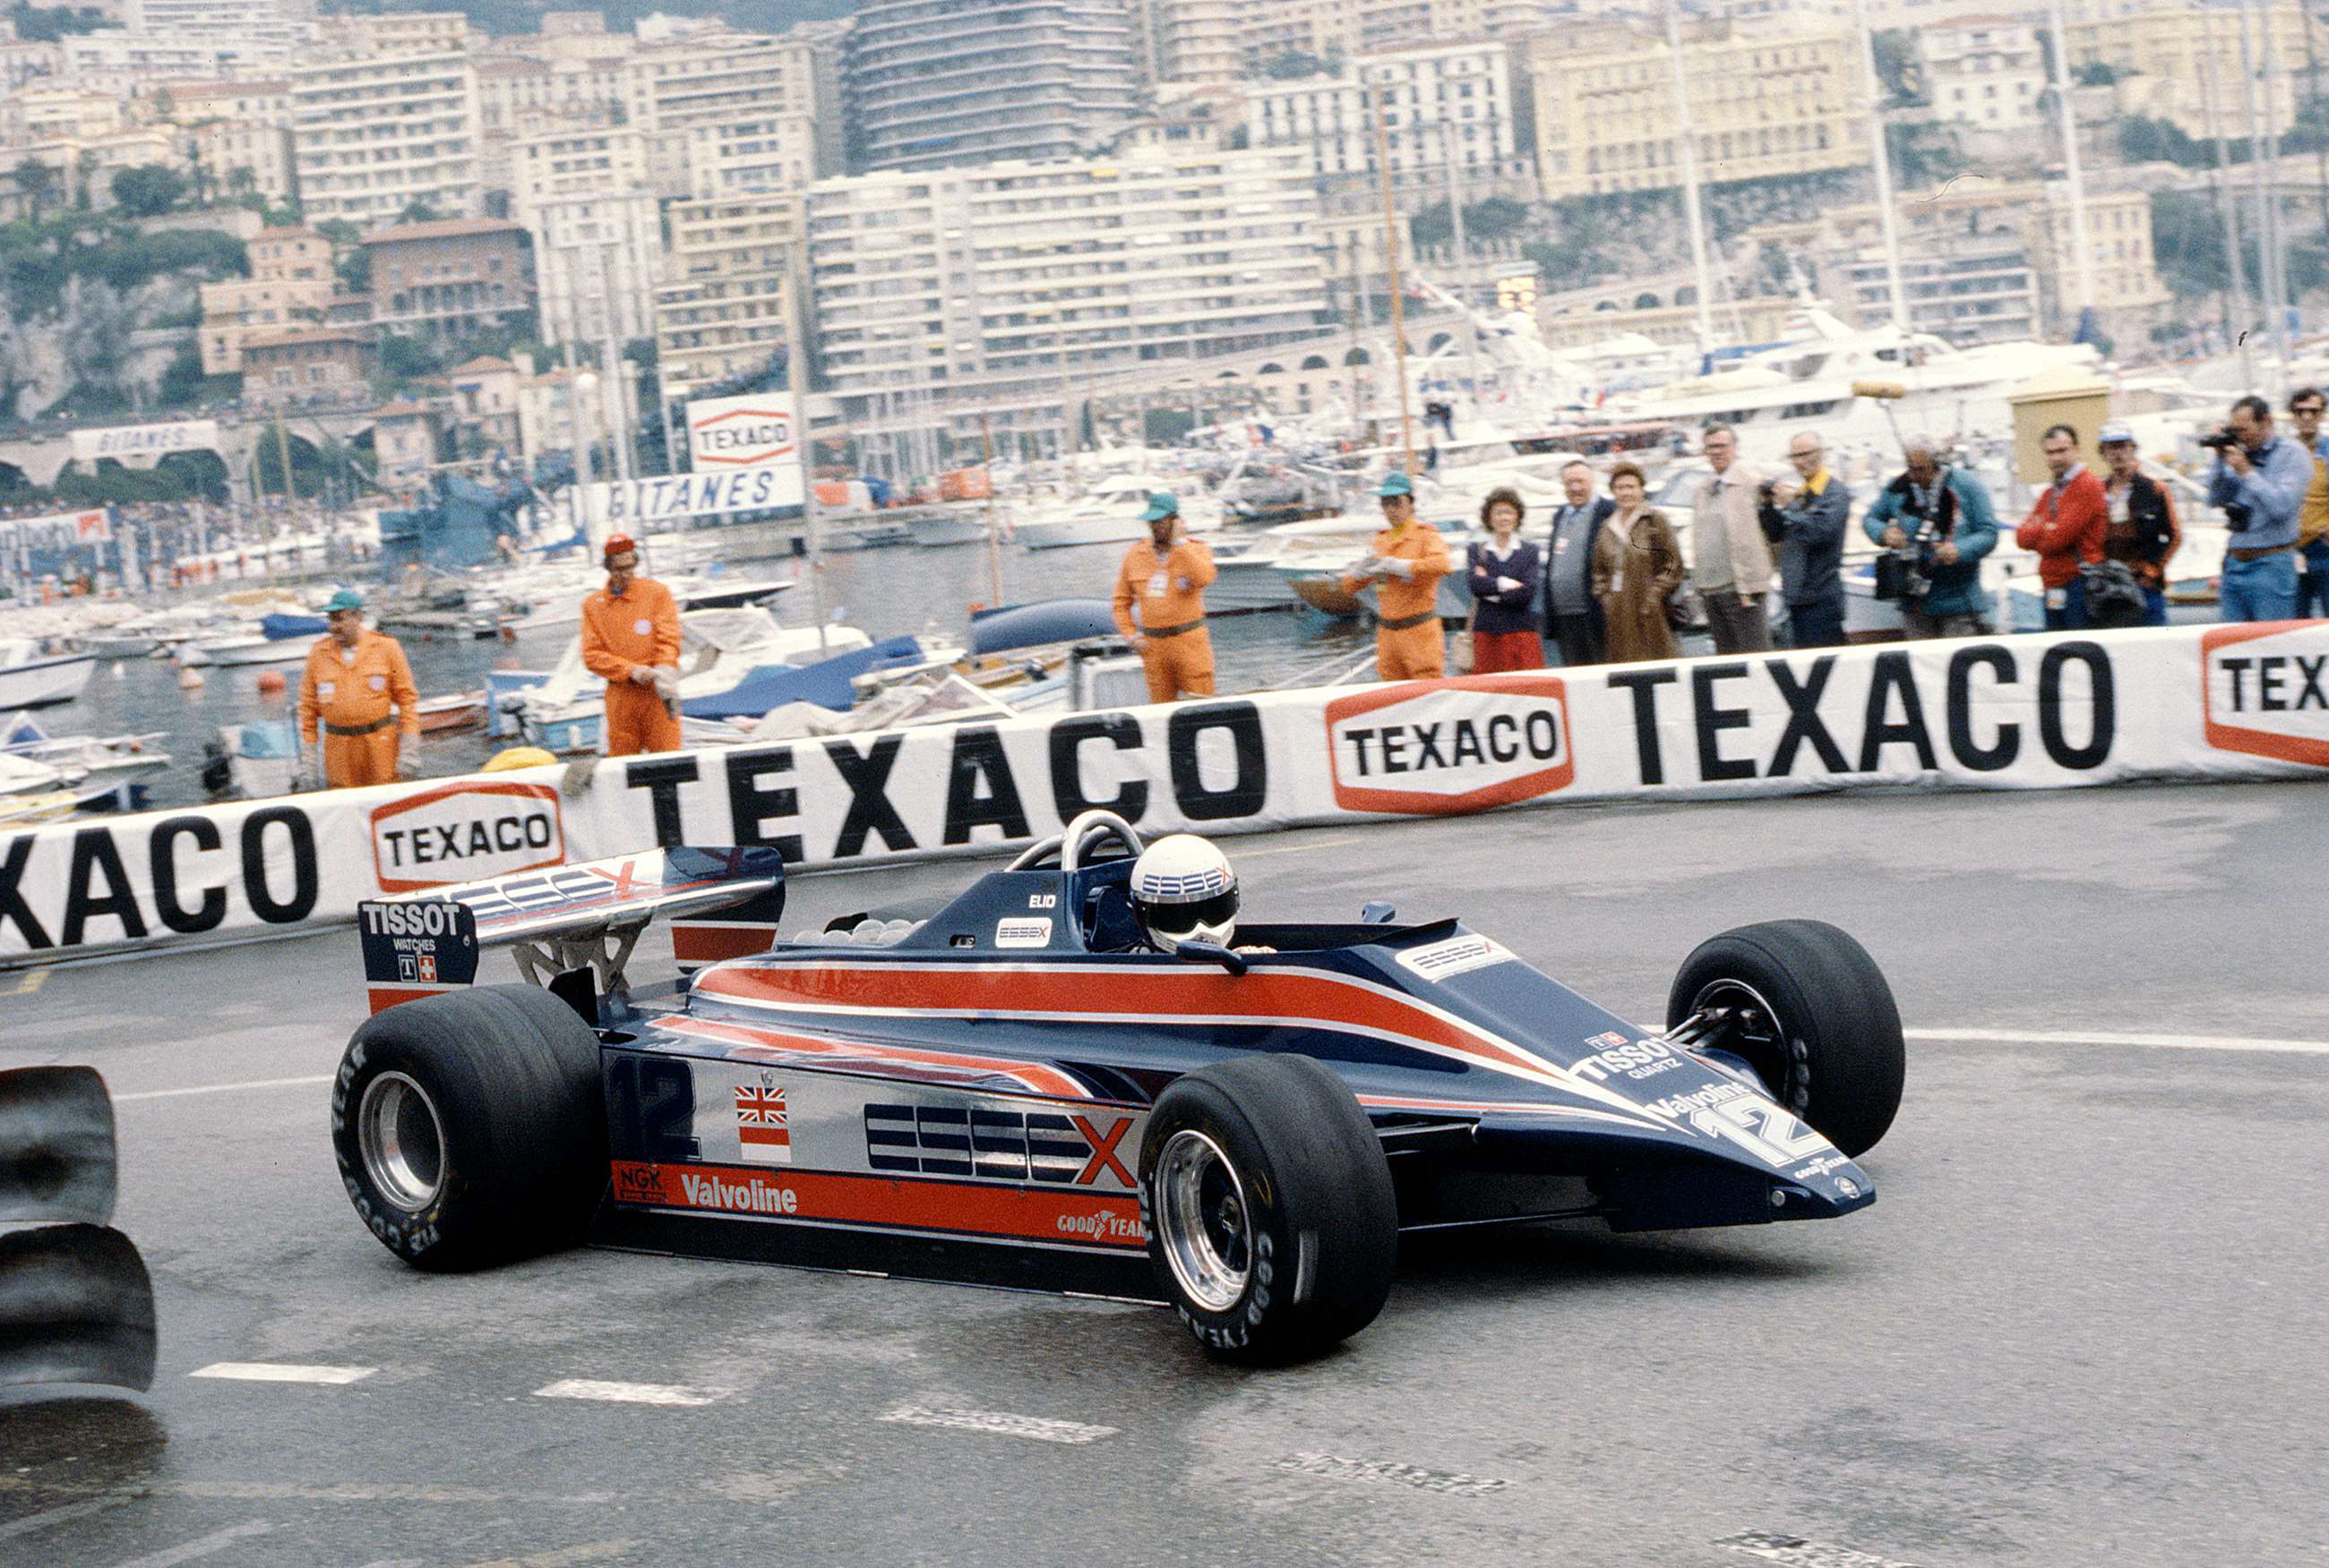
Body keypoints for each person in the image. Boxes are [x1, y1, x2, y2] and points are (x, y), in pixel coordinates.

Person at [1862, 434, 2001, 638]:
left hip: (1959, 603)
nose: (1914, 476)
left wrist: (1960, 550)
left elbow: (1989, 533)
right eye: (1910, 468)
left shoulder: (1967, 485)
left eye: (1920, 469)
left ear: (1937, 465)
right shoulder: (1898, 487)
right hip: (1915, 603)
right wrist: (1884, 533)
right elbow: (1870, 519)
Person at [296, 587, 419, 790]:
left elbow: (407, 700)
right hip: (339, 750)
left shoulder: (386, 648)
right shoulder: (318, 654)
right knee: (343, 806)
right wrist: (309, 763)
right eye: (331, 619)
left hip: (380, 746)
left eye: (340, 619)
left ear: (358, 617)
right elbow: (308, 711)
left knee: (386, 802)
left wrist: (409, 750)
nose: (334, 626)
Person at [2205, 394, 2309, 621]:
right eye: (2235, 431)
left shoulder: (2292, 454)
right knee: (2232, 645)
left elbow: (2281, 507)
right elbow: (2215, 499)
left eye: (2244, 430)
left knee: (2270, 644)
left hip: (2271, 562)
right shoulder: (2240, 454)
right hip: (2235, 562)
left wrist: (2246, 471)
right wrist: (2219, 460)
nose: (2240, 437)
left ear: (2266, 421)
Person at [580, 533, 683, 756]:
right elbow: (591, 655)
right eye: (619, 570)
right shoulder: (593, 605)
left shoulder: (656, 593)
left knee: (669, 758)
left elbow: (669, 638)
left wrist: (664, 671)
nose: (625, 575)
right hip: (621, 694)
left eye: (629, 568)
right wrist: (631, 670)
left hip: (657, 692)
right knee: (622, 764)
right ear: (608, 568)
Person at [1342, 471, 1451, 679]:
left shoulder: (1426, 535)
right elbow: (1348, 587)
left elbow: (1442, 564)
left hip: (1419, 632)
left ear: (1410, 503)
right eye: (1386, 504)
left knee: (1425, 694)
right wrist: (1357, 574)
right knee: (1390, 696)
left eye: (1397, 502)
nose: (1391, 510)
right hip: (1388, 635)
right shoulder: (1380, 541)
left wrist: (1403, 566)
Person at [1110, 491, 1216, 702]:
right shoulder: (1135, 555)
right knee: (1161, 710)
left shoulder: (1196, 550)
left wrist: (1179, 545)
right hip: (1154, 647)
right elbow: (1120, 603)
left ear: (1175, 521)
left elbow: (1204, 577)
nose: (1156, 526)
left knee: (1201, 704)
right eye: (1152, 522)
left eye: (1161, 521)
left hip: (1190, 643)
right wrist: (1132, 636)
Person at [1758, 429, 1851, 648]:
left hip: (1822, 599)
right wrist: (1768, 505)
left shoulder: (1835, 492)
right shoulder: (1802, 493)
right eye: (1795, 456)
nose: (1801, 462)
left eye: (1806, 454)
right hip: (1797, 598)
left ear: (1821, 454)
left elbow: (1821, 531)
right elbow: (1776, 534)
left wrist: (1790, 505)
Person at [1690, 424, 1775, 653]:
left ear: (1734, 448)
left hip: (1743, 588)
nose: (1716, 452)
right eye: (1711, 447)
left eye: (1721, 446)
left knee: (1754, 657)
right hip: (1711, 591)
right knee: (1727, 663)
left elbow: (1775, 524)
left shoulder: (1751, 482)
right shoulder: (1703, 490)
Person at [2015, 423, 2107, 630]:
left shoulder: (2086, 485)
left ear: (2077, 449)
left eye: (2062, 451)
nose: (2056, 458)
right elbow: (2021, 537)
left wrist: (2041, 529)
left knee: (2076, 644)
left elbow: (2056, 540)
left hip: (2079, 582)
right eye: (2050, 452)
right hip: (2053, 583)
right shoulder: (2052, 492)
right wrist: (2047, 528)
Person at [1592, 462, 1683, 664]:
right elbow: (1599, 572)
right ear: (1613, 492)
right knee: (1625, 668)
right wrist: (1607, 600)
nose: (1626, 492)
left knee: (1659, 665)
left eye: (1631, 487)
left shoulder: (1654, 521)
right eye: (1620, 488)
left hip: (1652, 612)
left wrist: (1654, 596)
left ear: (1641, 489)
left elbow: (1672, 564)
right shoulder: (1607, 528)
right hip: (1619, 615)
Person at [2095, 419, 2179, 628]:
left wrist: (2152, 571)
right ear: (2103, 453)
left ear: (2133, 449)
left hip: (2144, 584)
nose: (2118, 454)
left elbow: (2175, 536)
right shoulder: (2097, 491)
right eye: (2111, 448)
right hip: (2109, 586)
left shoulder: (2155, 489)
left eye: (2123, 446)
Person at [1126, 834, 1270, 955]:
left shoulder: (1250, 956)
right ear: (1141, 914)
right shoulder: (1125, 977)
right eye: (1178, 917)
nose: (1201, 931)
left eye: (1213, 911)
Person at [1465, 487, 1544, 673]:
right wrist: (1506, 584)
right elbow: (1475, 586)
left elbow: (1527, 593)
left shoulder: (1529, 551)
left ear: (1517, 517)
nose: (1504, 518)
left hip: (1521, 633)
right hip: (1487, 635)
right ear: (1489, 518)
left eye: (1509, 512)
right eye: (1498, 513)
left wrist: (1491, 592)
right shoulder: (1477, 550)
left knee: (1528, 688)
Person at [1543, 460, 1613, 667]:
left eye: (1580, 482)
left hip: (1595, 614)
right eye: (1569, 483)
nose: (1575, 488)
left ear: (1592, 482)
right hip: (1564, 616)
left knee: (1602, 673)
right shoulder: (1560, 516)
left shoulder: (1608, 512)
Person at [2288, 388, 2329, 617]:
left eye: (2313, 411)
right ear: (2292, 416)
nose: (2306, 417)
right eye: (2300, 411)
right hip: (2290, 549)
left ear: (2322, 415)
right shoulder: (2282, 452)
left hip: (2323, 547)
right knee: (2292, 625)